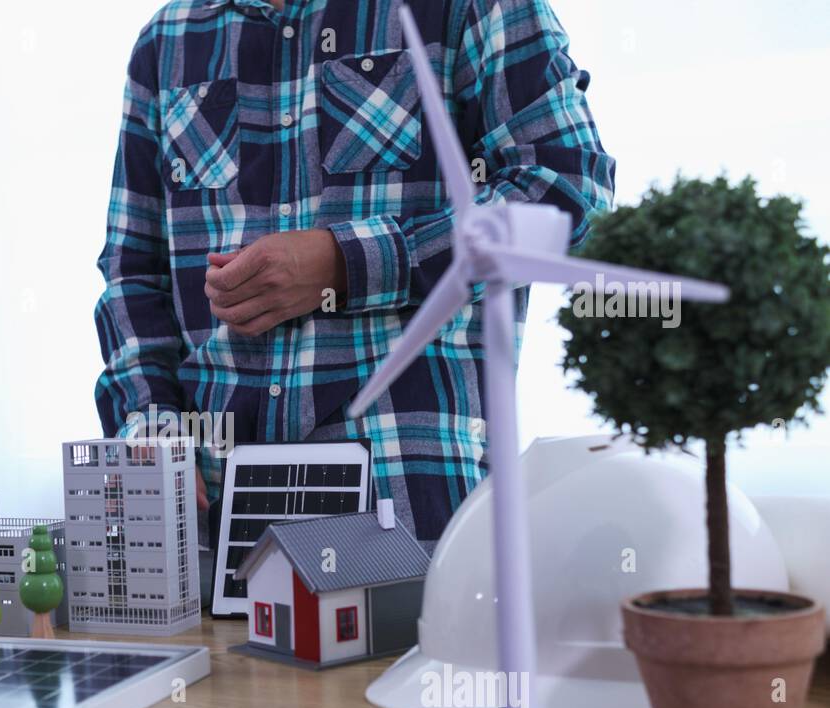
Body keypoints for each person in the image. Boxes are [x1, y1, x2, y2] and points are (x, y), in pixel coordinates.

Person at [93, 0, 614, 548]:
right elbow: (134, 267)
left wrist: (343, 264)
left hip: (411, 499)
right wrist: (151, 424)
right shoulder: (168, 39)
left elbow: (566, 192)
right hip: (210, 525)